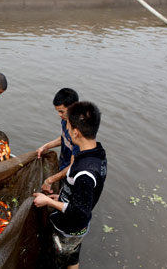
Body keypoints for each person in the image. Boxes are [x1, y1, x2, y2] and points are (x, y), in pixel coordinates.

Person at [33, 101, 107, 269]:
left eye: (67, 125)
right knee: (72, 257)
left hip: (69, 229)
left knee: (57, 260)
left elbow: (79, 212)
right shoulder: (98, 153)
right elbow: (82, 198)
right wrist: (61, 197)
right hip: (78, 230)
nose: (65, 129)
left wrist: (49, 202)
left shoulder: (84, 173)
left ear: (75, 132)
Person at [36, 88, 80, 192]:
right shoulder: (65, 120)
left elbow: (73, 166)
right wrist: (45, 146)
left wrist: (50, 180)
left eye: (61, 111)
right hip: (64, 162)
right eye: (58, 111)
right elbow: (64, 139)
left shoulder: (79, 131)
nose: (59, 115)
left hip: (73, 172)